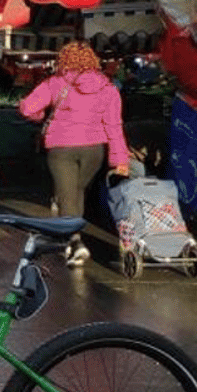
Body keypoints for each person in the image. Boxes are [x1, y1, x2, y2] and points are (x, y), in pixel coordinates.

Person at [18, 40, 130, 266]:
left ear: (64, 60)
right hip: (94, 150)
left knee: (67, 195)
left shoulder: (55, 83)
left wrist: (40, 116)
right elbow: (114, 126)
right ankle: (69, 237)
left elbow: (27, 107)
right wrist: (120, 159)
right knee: (77, 192)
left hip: (61, 148)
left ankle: (76, 242)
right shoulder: (108, 88)